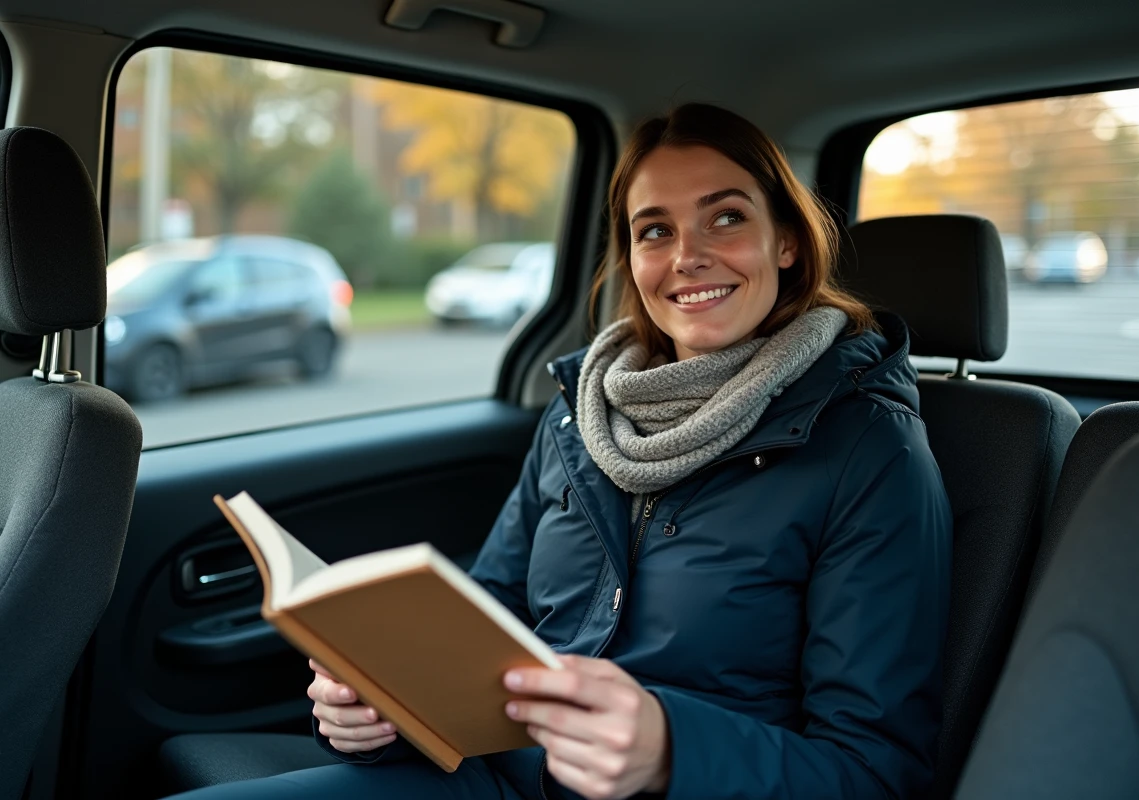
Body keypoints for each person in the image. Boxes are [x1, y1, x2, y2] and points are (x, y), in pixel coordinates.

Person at [172, 103, 952, 800]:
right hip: (495, 778)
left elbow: (875, 771)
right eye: (655, 230)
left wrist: (671, 753)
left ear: (786, 241)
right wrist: (386, 708)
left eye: (725, 218)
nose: (687, 255)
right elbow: (492, 617)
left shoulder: (868, 446)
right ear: (632, 260)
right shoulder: (581, 414)